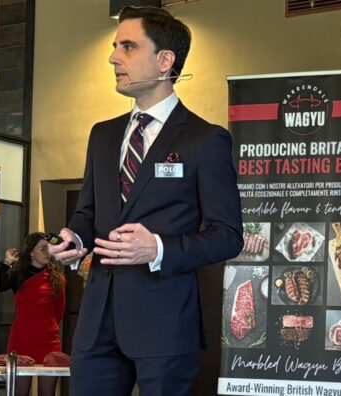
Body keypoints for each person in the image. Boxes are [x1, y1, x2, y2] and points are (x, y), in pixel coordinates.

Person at [47, 5, 242, 396]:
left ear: (164, 61)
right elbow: (87, 212)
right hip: (97, 322)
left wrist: (158, 248)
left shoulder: (205, 140)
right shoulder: (102, 135)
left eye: (128, 47)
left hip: (165, 325)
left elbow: (227, 235)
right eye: (115, 46)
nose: (113, 57)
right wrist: (76, 239)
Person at [0, 232, 66, 396]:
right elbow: (0, 284)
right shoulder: (18, 274)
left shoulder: (57, 279)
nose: (47, 253)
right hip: (22, 339)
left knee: (47, 393)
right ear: (30, 252)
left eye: (49, 249)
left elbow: (59, 311)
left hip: (49, 341)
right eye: (42, 249)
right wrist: (7, 262)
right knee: (19, 392)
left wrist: (46, 326)